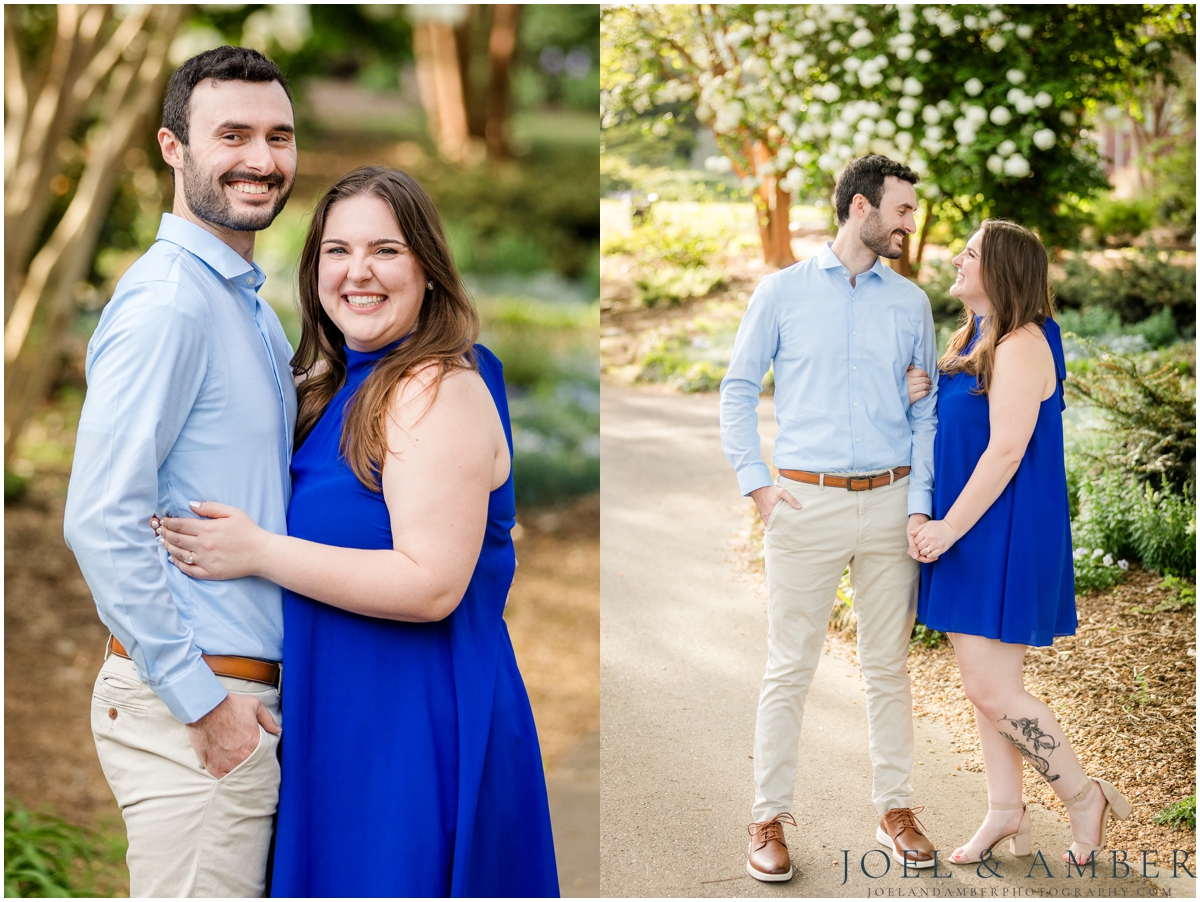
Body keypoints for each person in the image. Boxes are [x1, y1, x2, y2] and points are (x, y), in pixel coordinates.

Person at [154, 166, 559, 897]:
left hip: (412, 725)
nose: (358, 272)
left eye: (386, 251)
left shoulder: (433, 388)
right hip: (338, 716)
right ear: (314, 274)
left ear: (428, 270)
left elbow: (432, 584)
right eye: (337, 251)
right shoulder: (339, 384)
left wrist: (258, 552)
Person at [63, 47, 298, 897]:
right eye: (232, 134)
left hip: (244, 700)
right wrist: (203, 703)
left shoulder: (246, 306)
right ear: (173, 148)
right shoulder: (170, 303)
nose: (262, 160)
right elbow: (99, 517)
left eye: (279, 136)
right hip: (196, 709)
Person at [719, 154, 940, 882]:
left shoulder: (909, 304)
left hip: (889, 503)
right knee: (790, 667)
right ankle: (767, 816)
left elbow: (927, 413)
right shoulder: (780, 293)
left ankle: (895, 808)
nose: (910, 222)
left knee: (888, 668)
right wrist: (758, 486)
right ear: (860, 208)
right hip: (804, 503)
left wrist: (916, 505)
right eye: (902, 209)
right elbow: (738, 388)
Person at [911, 220, 1130, 866]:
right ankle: (1006, 811)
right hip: (970, 529)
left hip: (997, 532)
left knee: (994, 691)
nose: (956, 258)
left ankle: (1082, 794)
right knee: (986, 687)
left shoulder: (1023, 344)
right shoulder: (974, 337)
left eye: (970, 253)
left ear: (1000, 271)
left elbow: (1007, 450)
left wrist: (947, 528)